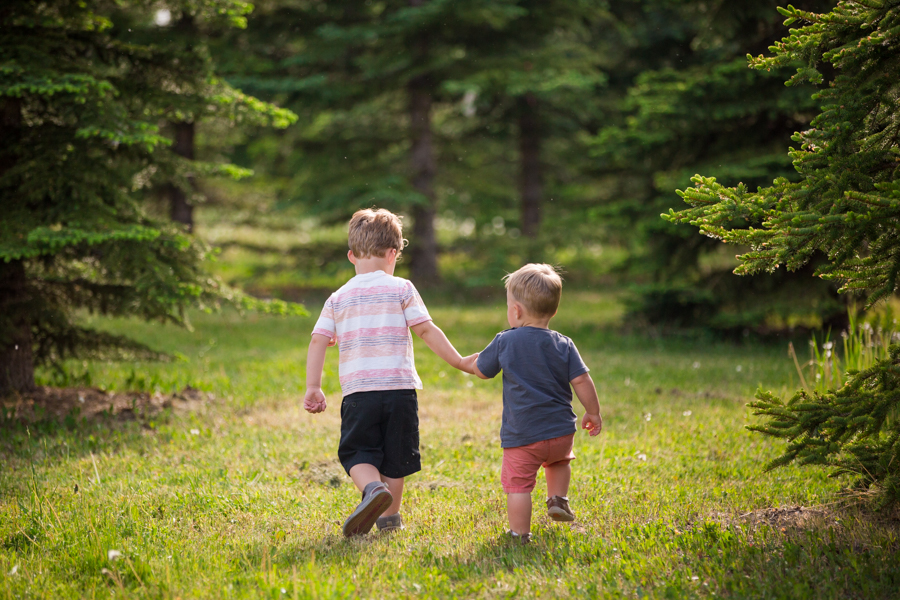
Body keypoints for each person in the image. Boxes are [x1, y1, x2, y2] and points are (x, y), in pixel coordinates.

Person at [304, 208, 473, 537]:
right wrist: (459, 361)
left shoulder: (338, 298)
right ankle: (389, 521)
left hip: (359, 394)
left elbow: (318, 341)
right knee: (397, 458)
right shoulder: (402, 288)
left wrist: (314, 386)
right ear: (393, 253)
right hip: (399, 391)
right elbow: (426, 330)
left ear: (352, 255)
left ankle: (371, 489)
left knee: (358, 451)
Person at [461, 263, 603, 543]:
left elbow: (483, 370)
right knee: (559, 462)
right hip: (562, 431)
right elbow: (583, 381)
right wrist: (593, 412)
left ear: (515, 311)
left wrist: (469, 363)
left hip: (523, 435)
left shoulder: (505, 341)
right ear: (554, 310)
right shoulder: (564, 343)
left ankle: (519, 534)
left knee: (518, 486)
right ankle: (558, 499)